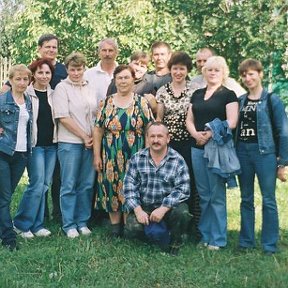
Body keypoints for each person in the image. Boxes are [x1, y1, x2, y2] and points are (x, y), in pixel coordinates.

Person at [93, 64, 153, 237]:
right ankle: (114, 227)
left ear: (133, 80)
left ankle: (128, 225)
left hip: (136, 154)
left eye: (126, 77)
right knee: (111, 186)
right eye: (119, 78)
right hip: (110, 153)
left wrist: (148, 155)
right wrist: (96, 155)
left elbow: (150, 128)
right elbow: (98, 129)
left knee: (131, 187)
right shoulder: (106, 102)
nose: (123, 81)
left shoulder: (141, 102)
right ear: (115, 80)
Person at [236, 59, 288, 255]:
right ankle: (246, 241)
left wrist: (282, 161)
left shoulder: (271, 99)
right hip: (243, 152)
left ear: (260, 74)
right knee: (246, 199)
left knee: (268, 199)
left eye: (251, 74)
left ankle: (269, 245)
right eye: (244, 75)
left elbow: (283, 131)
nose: (248, 78)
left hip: (265, 153)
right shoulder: (241, 100)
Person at [186, 56, 238, 250]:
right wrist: (195, 134)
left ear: (223, 72)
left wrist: (208, 134)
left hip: (217, 148)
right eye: (209, 70)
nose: (212, 73)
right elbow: (189, 119)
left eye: (217, 70)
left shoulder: (228, 94)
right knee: (204, 194)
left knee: (216, 195)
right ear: (204, 72)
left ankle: (218, 239)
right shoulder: (197, 94)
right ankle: (205, 236)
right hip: (197, 147)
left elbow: (231, 122)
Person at [123, 122, 191, 255]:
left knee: (182, 213)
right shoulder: (137, 159)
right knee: (131, 228)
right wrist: (138, 211)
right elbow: (128, 187)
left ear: (168, 138)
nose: (155, 140)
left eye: (160, 136)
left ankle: (175, 242)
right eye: (152, 136)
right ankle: (154, 237)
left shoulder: (177, 160)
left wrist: (163, 208)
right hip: (145, 208)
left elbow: (183, 189)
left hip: (168, 209)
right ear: (147, 138)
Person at [156, 51, 200, 241]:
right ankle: (167, 222)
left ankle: (188, 225)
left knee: (188, 182)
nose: (178, 72)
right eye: (175, 68)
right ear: (170, 70)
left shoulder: (194, 91)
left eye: (182, 68)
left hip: (189, 143)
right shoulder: (163, 91)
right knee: (167, 181)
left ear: (187, 70)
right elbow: (159, 118)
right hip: (169, 144)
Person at [52, 52, 97, 238]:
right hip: (70, 142)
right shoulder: (62, 88)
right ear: (67, 70)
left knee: (86, 184)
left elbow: (94, 115)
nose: (76, 73)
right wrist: (83, 136)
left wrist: (92, 138)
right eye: (72, 69)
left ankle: (82, 221)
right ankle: (69, 224)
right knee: (69, 184)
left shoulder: (89, 87)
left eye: (79, 69)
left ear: (84, 69)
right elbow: (63, 117)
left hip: (89, 142)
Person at [13, 58, 56, 238]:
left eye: (47, 72)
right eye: (40, 72)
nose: (44, 76)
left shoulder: (55, 93)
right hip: (35, 145)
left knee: (45, 185)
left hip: (52, 145)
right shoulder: (27, 93)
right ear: (34, 75)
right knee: (36, 184)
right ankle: (21, 223)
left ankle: (37, 225)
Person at [0, 64, 32, 251]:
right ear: (10, 80)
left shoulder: (28, 101)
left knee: (7, 194)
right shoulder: (2, 100)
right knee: (4, 198)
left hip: (21, 154)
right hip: (3, 152)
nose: (21, 82)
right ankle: (9, 239)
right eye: (18, 79)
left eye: (25, 79)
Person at [85, 38, 118, 106]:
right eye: (104, 50)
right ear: (99, 53)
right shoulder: (88, 75)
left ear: (116, 53)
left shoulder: (124, 74)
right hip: (95, 116)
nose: (107, 54)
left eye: (110, 50)